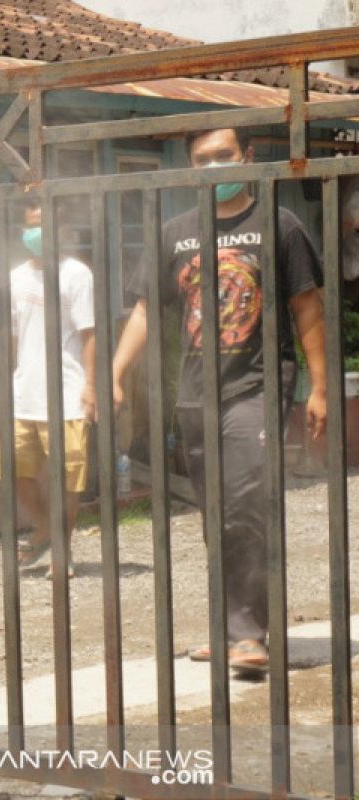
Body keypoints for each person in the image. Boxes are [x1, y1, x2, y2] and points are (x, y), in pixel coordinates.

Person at [111, 127, 326, 675]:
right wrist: (113, 373)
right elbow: (144, 311)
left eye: (223, 157)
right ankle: (231, 629)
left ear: (248, 158)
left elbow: (308, 310)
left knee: (246, 505)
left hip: (256, 387)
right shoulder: (175, 233)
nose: (213, 168)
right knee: (215, 516)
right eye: (201, 160)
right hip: (195, 395)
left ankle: (250, 635)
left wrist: (320, 387)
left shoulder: (279, 225)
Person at [0, 200, 96, 580]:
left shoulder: (76, 275)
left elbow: (89, 334)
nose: (36, 233)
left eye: (44, 226)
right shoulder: (15, 278)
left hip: (67, 392)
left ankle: (61, 549)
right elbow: (6, 336)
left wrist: (93, 385)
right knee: (11, 467)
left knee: (67, 475)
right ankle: (47, 527)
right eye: (30, 225)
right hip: (23, 392)